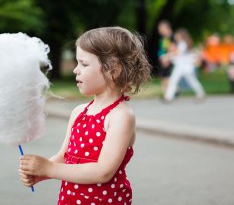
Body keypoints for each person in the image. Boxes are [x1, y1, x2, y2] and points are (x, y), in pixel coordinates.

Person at [19, 27, 151, 204]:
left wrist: (49, 169)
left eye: (84, 64)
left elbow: (103, 171)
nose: (75, 70)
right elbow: (64, 158)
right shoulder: (79, 112)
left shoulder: (120, 116)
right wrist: (40, 172)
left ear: (114, 69)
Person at [164, 29, 205, 102]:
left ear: (180, 35)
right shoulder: (181, 43)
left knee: (191, 81)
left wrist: (167, 56)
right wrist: (169, 57)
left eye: (177, 34)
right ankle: (168, 97)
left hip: (183, 67)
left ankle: (201, 94)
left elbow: (177, 53)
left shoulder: (182, 43)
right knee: (174, 80)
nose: (175, 36)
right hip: (182, 67)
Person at [157, 20, 176, 96]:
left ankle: (167, 94)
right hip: (163, 59)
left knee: (166, 77)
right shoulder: (163, 38)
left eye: (160, 28)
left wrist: (167, 58)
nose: (159, 30)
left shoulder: (172, 37)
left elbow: (173, 50)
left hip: (168, 59)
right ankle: (169, 92)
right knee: (163, 77)